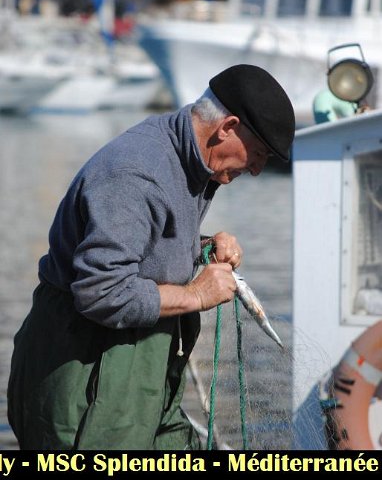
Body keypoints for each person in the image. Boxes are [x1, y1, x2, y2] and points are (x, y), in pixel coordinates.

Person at [7, 63, 295, 450]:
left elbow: (145, 242)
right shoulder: (136, 173)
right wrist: (197, 295)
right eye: (258, 154)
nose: (258, 170)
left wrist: (202, 246)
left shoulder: (192, 157)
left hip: (143, 361)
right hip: (84, 364)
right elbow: (100, 291)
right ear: (226, 127)